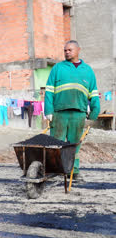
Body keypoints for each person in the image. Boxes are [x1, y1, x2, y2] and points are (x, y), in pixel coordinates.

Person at [44, 40, 100, 181]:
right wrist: (48, 110)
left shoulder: (87, 70)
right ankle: (53, 170)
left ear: (78, 50)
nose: (67, 52)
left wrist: (95, 109)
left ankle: (73, 171)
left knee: (74, 144)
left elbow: (93, 92)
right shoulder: (57, 68)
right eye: (65, 50)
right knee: (56, 143)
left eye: (70, 50)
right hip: (59, 112)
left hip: (78, 113)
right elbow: (49, 91)